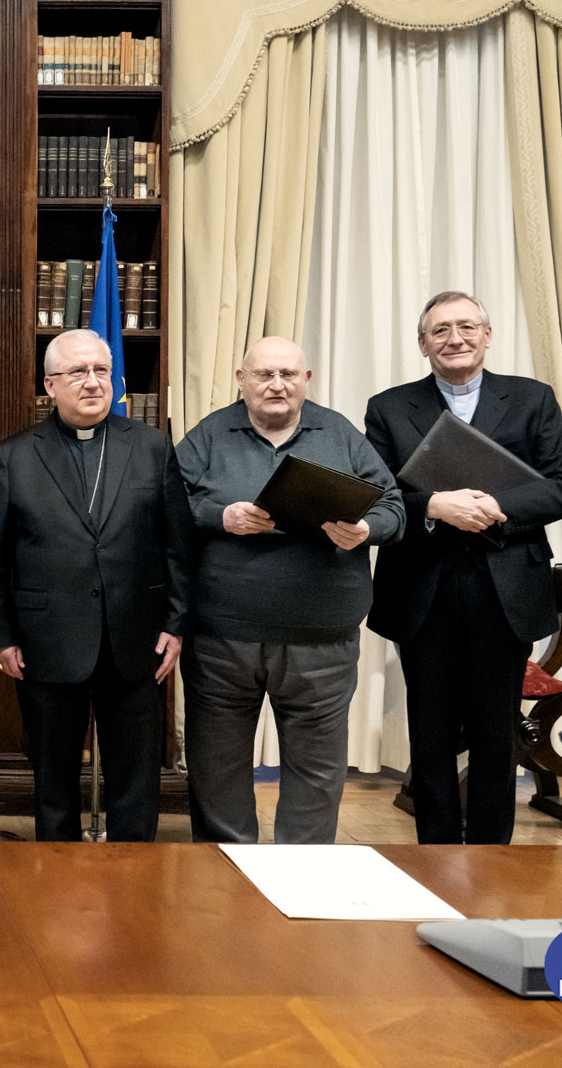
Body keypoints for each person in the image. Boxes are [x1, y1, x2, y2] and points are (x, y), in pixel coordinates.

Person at [364, 291, 562, 844]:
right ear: (423, 344)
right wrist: (435, 506)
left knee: (496, 733)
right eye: (440, 331)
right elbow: (375, 490)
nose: (454, 338)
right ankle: (436, 854)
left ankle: (493, 855)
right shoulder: (389, 406)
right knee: (430, 732)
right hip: (423, 587)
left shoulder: (532, 400)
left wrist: (499, 507)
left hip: (506, 587)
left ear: (488, 336)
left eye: (467, 326)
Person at [176, 336, 404, 844]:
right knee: (216, 772)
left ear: (306, 380)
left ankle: (302, 880)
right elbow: (166, 506)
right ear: (242, 380)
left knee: (317, 776)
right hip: (221, 640)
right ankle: (225, 879)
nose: (276, 385)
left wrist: (366, 530)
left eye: (287, 374)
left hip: (321, 641)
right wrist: (221, 516)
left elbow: (392, 504)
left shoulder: (339, 433)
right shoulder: (210, 435)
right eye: (263, 375)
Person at [0, 329, 194, 842]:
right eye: (78, 372)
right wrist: (1, 636)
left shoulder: (152, 447)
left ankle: (133, 886)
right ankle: (56, 889)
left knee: (135, 785)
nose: (93, 382)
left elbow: (178, 547)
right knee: (54, 787)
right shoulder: (13, 457)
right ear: (49, 385)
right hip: (46, 644)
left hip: (136, 641)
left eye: (101, 370)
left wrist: (176, 624)